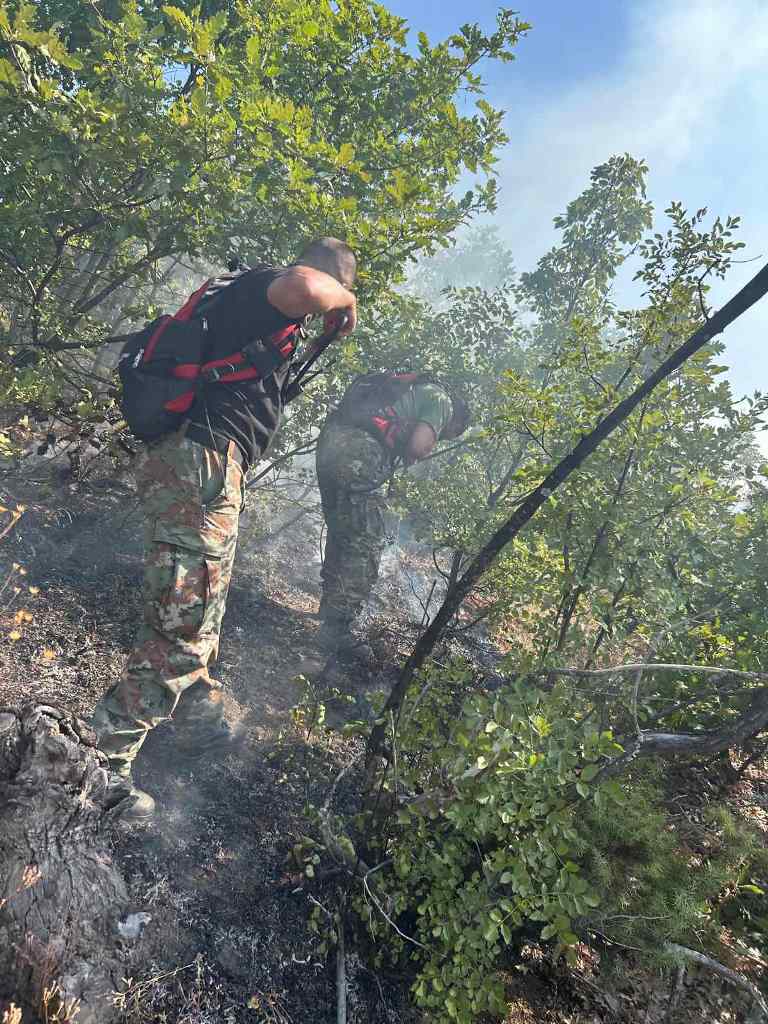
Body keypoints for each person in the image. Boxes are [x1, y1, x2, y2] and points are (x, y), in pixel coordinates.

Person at [92, 238, 357, 821]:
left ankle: (197, 721)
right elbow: (307, 287)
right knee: (186, 621)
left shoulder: (234, 300)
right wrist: (341, 297)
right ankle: (98, 767)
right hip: (204, 461)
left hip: (198, 461)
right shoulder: (276, 285)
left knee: (191, 608)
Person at [315, 373, 471, 653]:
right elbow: (418, 445)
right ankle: (335, 630)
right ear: (456, 420)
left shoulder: (412, 389)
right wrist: (419, 449)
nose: (444, 437)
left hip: (331, 443)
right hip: (361, 454)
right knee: (366, 542)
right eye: (448, 433)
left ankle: (329, 612)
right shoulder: (442, 401)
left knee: (343, 531)